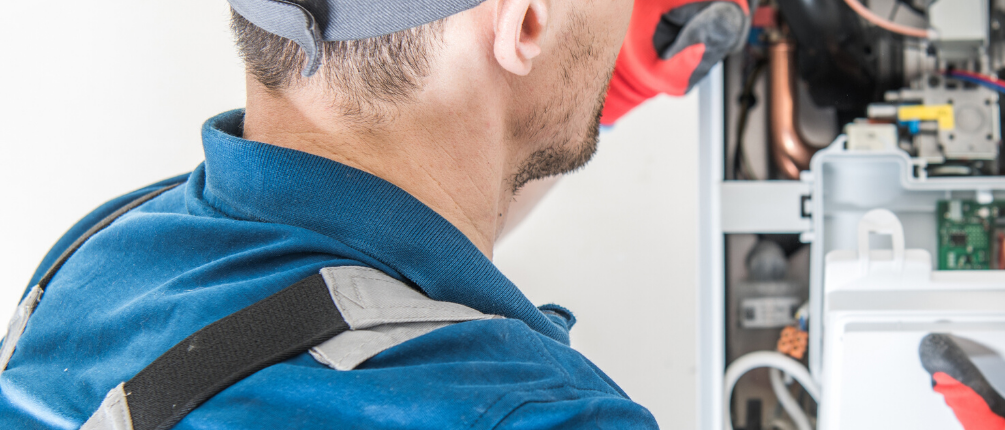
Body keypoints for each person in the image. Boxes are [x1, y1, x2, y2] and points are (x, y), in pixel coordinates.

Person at [0, 0, 746, 428]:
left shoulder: (104, 256)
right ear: (524, 25)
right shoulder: (533, 418)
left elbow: (360, 291)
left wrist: (581, 92)